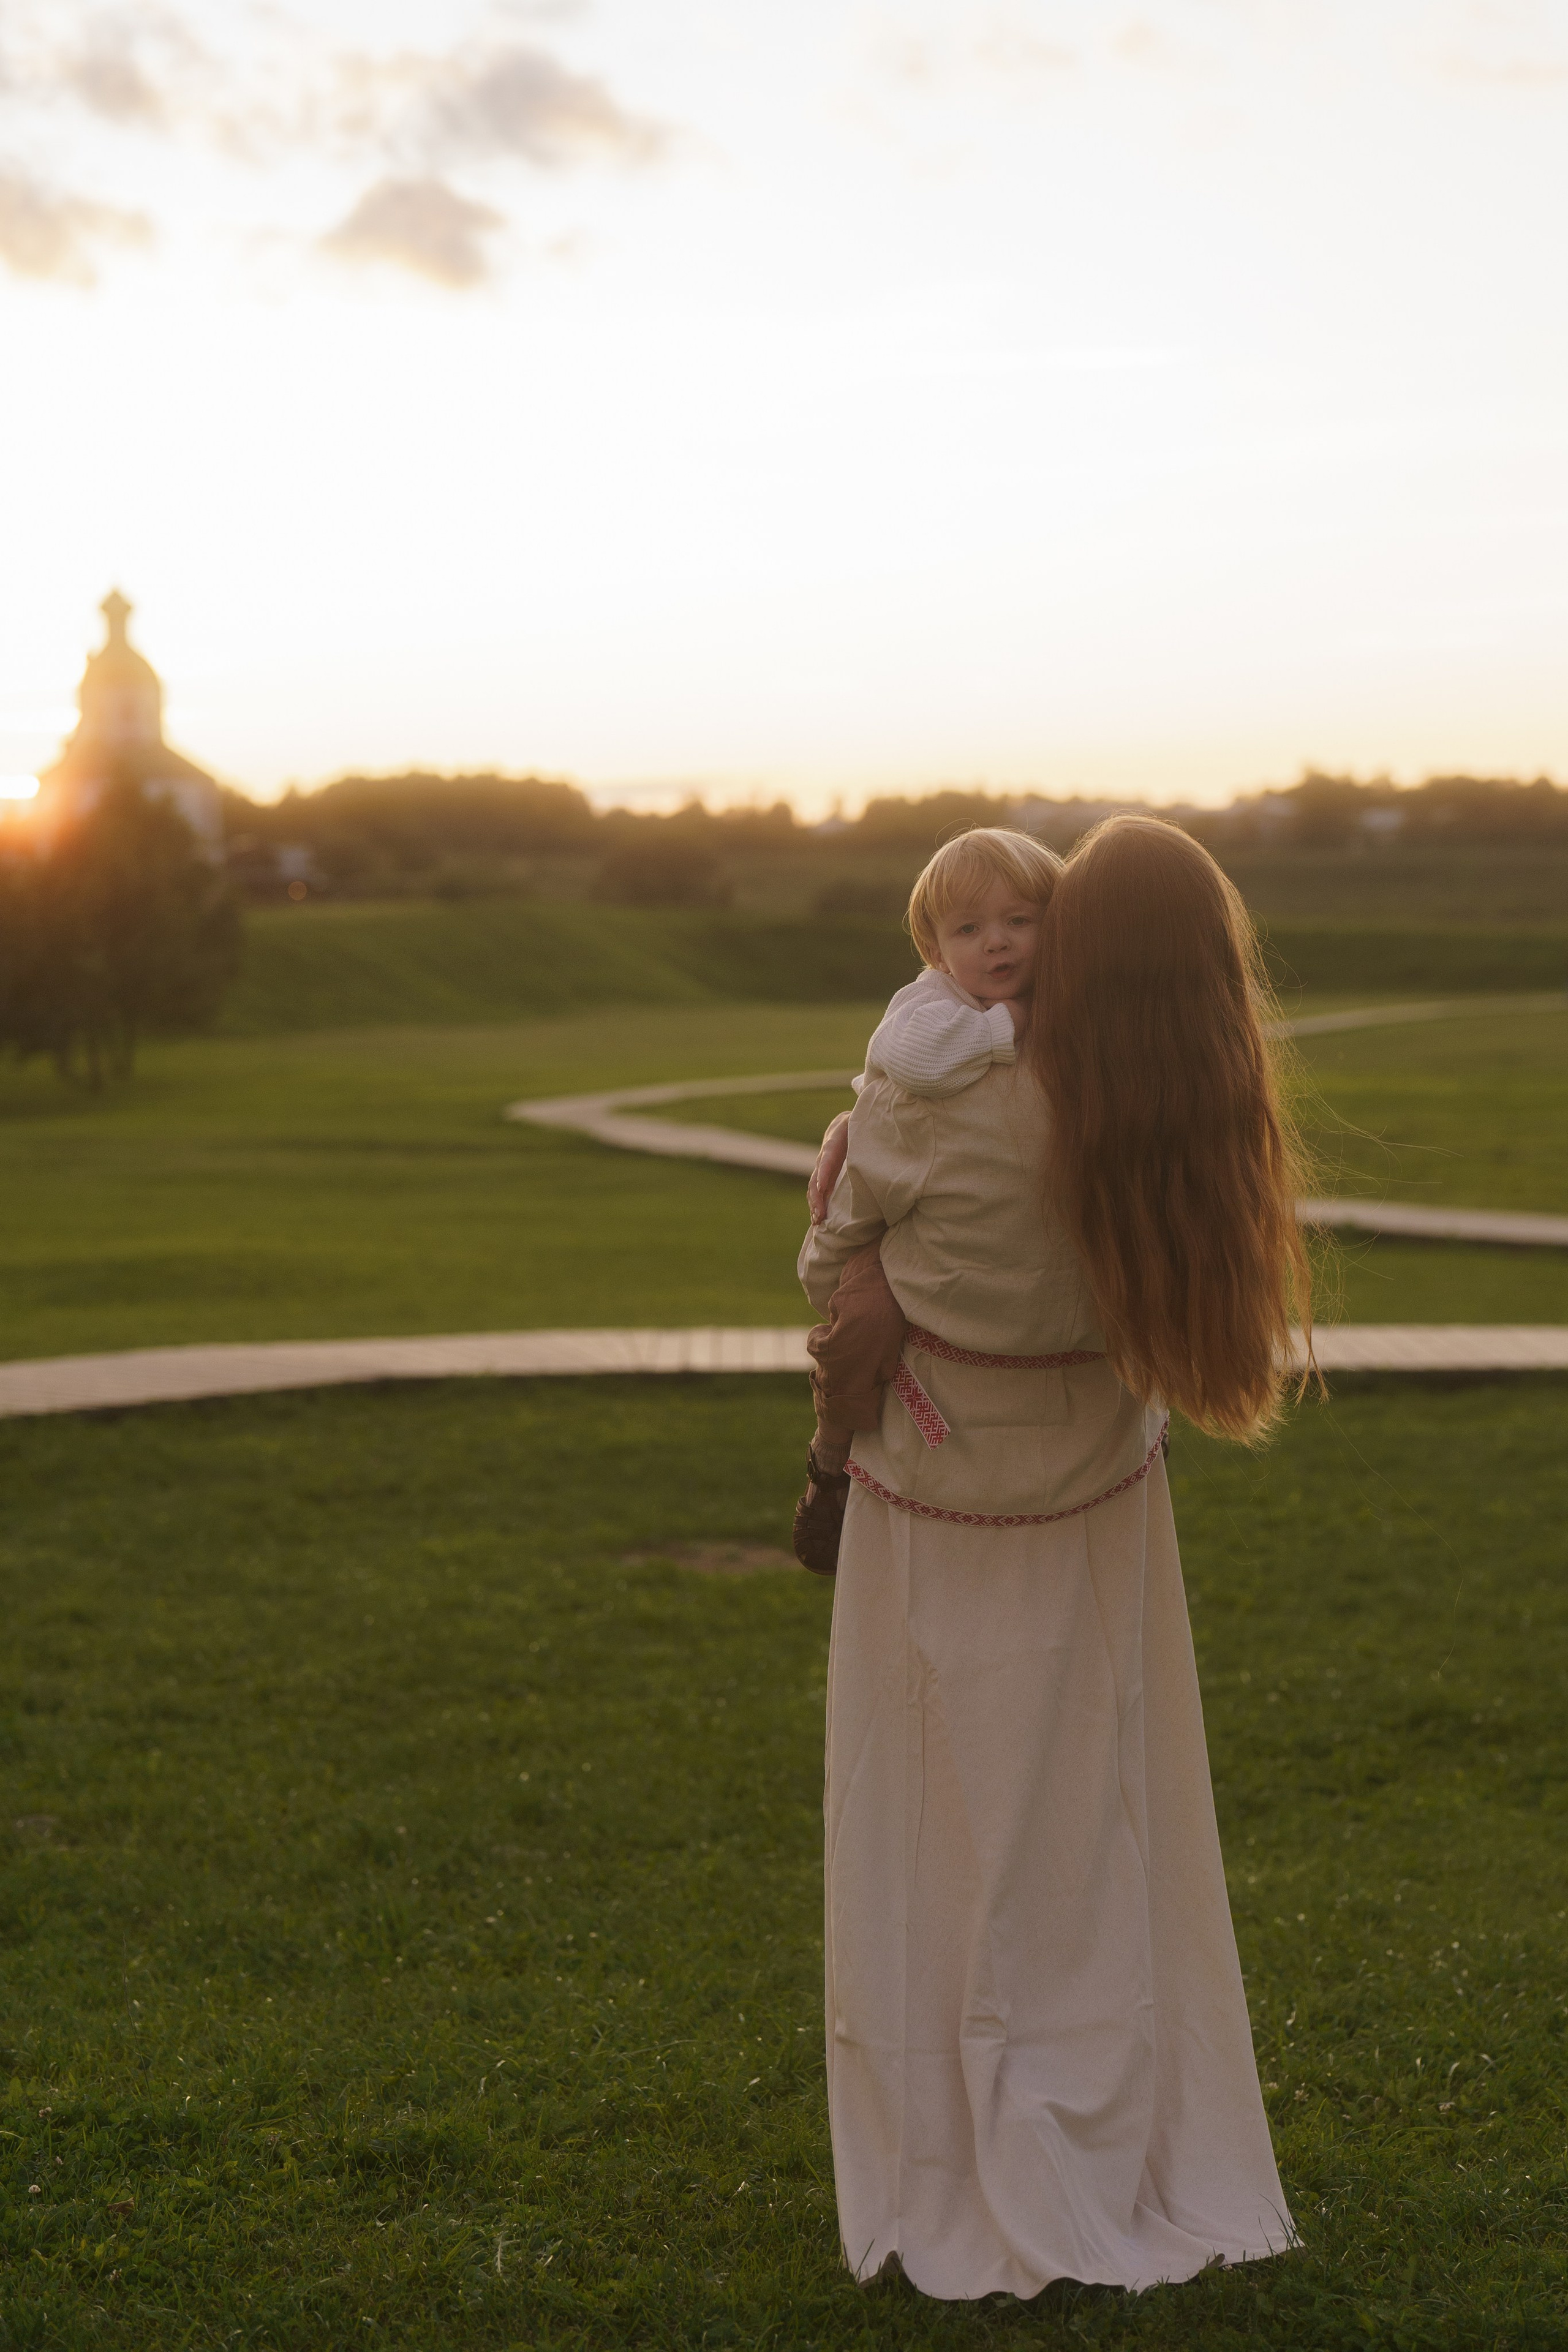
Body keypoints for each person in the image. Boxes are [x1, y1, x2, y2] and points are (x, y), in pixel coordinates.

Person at [797, 815, 1313, 2299]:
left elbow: (845, 1263)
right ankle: (1102, 2126)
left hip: (938, 1488)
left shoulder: (940, 1097)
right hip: (1098, 1500)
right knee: (1093, 1832)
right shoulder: (1188, 1114)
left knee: (934, 1817)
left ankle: (957, 2139)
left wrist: (847, 1258)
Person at [793, 827, 1063, 1573]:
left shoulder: (1064, 1007)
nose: (998, 945)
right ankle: (829, 1459)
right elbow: (916, 1065)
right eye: (969, 929)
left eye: (1020, 920)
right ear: (936, 951)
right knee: (861, 1324)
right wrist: (1005, 1025)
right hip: (897, 1222)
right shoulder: (930, 1003)